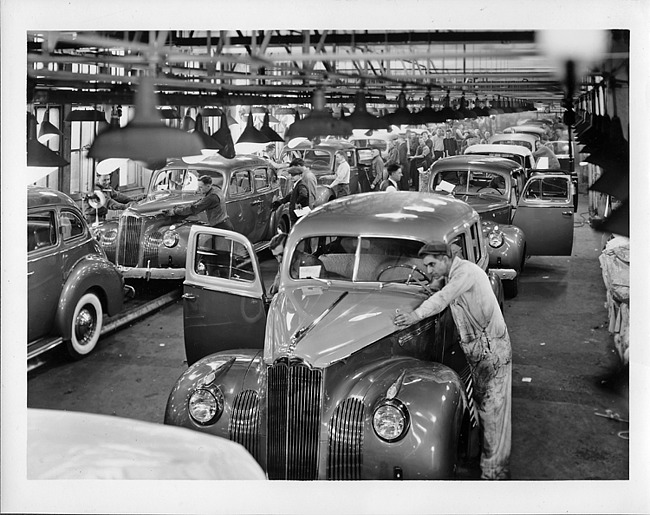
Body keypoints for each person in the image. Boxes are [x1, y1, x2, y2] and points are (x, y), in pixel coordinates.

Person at [393, 241, 512, 480]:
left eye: (432, 264)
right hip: (479, 350)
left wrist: (414, 316)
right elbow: (440, 285)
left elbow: (444, 298)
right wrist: (431, 283)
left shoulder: (465, 273)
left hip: (491, 350)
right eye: (426, 265)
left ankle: (495, 475)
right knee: (483, 406)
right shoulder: (453, 272)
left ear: (446, 259)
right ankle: (484, 459)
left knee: (494, 411)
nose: (429, 269)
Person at [163, 175, 234, 230]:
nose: (198, 189)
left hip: (221, 227)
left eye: (200, 187)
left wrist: (175, 211)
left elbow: (194, 209)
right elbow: (199, 202)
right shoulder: (215, 189)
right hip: (223, 224)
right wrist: (182, 206)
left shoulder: (212, 197)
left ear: (208, 186)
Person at [273, 158, 316, 224]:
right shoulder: (300, 181)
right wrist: (282, 201)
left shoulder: (308, 177)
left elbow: (309, 195)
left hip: (302, 212)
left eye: (293, 174)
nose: (291, 176)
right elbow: (294, 194)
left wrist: (299, 204)